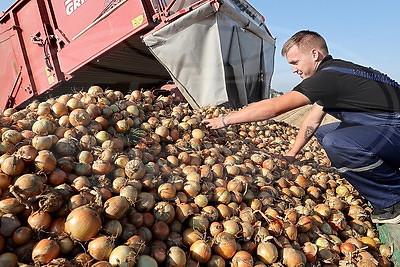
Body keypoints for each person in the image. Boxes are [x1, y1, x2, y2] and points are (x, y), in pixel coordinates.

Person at [202, 30, 400, 224]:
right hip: (387, 128)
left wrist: (225, 120)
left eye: (295, 63)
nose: (293, 70)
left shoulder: (328, 78)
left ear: (315, 54)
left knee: (337, 142)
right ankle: (387, 172)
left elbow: (274, 107)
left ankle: (393, 202)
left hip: (394, 127)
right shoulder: (336, 73)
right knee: (325, 132)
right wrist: (292, 153)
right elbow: (312, 121)